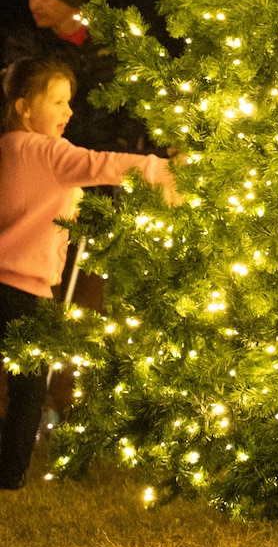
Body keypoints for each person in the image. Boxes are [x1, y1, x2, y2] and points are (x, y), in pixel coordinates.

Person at [0, 57, 177, 488]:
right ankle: (9, 472)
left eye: (70, 102)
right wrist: (161, 171)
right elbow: (102, 164)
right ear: (24, 107)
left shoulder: (10, 148)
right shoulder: (46, 151)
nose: (68, 112)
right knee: (27, 390)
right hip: (24, 289)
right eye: (57, 102)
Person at [3, 0, 145, 153]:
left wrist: (122, 143)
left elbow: (136, 100)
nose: (33, 4)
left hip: (109, 160)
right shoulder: (27, 44)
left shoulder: (113, 41)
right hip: (54, 158)